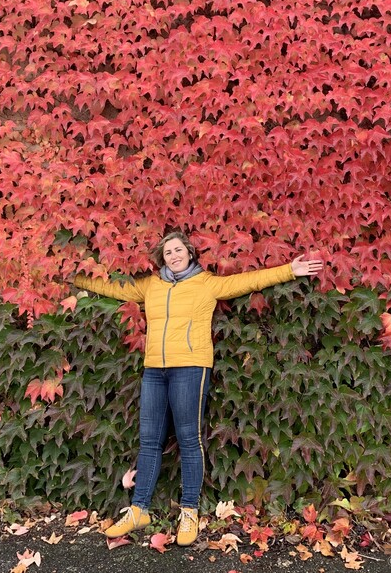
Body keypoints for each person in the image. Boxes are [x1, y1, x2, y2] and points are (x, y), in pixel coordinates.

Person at [73, 231, 323, 546]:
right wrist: (71, 278)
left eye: (178, 250)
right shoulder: (150, 285)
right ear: (161, 258)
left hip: (191, 368)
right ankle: (139, 509)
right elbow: (111, 287)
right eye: (168, 252)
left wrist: (290, 270)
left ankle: (189, 511)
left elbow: (247, 282)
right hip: (154, 370)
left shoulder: (207, 283)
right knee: (149, 441)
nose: (174, 255)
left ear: (190, 253)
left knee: (190, 441)